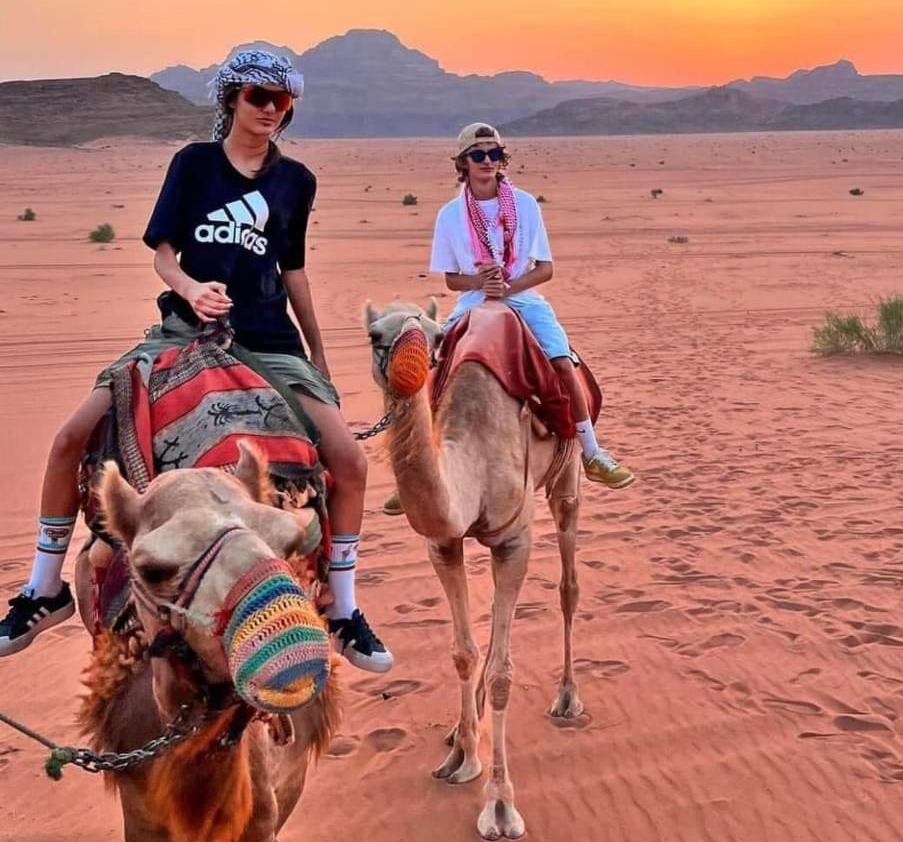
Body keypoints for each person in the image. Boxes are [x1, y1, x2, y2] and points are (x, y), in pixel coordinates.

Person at [0, 50, 391, 673]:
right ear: (231, 98)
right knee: (71, 434)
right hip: (184, 329)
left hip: (268, 340)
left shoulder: (297, 182)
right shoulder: (195, 165)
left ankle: (342, 609)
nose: (271, 111)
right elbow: (163, 252)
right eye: (259, 97)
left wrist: (316, 350)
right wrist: (190, 289)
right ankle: (42, 590)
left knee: (349, 459)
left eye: (282, 102)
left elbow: (292, 269)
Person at [431, 123, 635, 489]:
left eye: (494, 154)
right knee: (436, 364)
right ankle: (425, 462)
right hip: (474, 300)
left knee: (560, 358)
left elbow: (545, 269)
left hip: (523, 296)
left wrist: (508, 286)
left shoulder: (524, 204)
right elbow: (450, 279)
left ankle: (591, 451)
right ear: (463, 163)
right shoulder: (449, 215)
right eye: (478, 155)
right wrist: (481, 283)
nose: (487, 162)